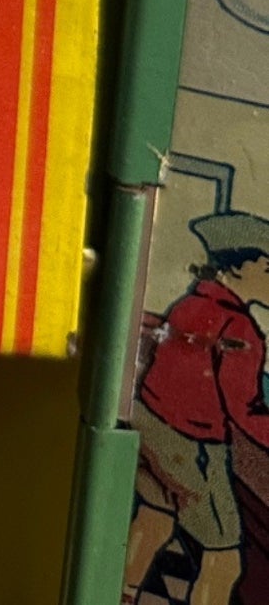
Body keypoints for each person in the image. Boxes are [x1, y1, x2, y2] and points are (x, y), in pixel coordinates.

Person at [126, 212, 269, 605]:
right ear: (236, 268)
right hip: (193, 450)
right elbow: (244, 410)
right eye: (268, 266)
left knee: (154, 519)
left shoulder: (190, 303)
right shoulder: (241, 330)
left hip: (151, 428)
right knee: (225, 562)